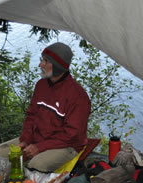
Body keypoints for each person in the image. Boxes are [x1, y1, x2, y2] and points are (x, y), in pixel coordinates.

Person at [18, 42, 91, 172]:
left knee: (36, 165)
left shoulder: (78, 96)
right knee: (0, 154)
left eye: (46, 61)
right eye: (42, 59)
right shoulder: (41, 85)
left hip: (67, 146)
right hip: (37, 140)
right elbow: (31, 116)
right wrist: (25, 140)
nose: (40, 64)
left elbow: (72, 135)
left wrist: (40, 147)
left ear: (58, 67)